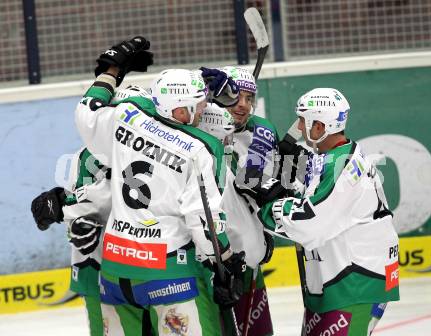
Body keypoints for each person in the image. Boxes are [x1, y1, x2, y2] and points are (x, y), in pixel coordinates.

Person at [74, 36, 246, 335]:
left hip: (115, 270)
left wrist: (111, 70)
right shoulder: (200, 149)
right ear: (180, 112)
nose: (205, 109)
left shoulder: (127, 114)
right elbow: (203, 220)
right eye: (199, 104)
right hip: (168, 273)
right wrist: (226, 262)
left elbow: (87, 113)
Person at [243, 88, 400, 335]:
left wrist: (268, 206)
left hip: (355, 283)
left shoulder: (344, 167)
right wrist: (287, 169)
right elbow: (310, 189)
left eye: (303, 122)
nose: (300, 129)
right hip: (339, 281)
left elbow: (311, 225)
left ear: (319, 127)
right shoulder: (333, 156)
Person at [30, 85, 151, 336]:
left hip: (148, 263)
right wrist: (71, 217)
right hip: (102, 267)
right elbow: (82, 217)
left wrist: (63, 204)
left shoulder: (160, 150)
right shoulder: (87, 157)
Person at [200, 66, 276, 336]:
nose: (243, 106)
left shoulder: (262, 133)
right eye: (237, 97)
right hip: (209, 258)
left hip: (245, 255)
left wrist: (261, 238)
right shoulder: (198, 130)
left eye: (250, 98)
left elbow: (252, 184)